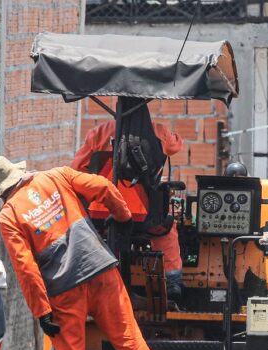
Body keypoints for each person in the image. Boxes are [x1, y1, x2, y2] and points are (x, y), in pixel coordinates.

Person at [0, 156, 172, 350]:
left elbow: (25, 266)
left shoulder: (8, 216)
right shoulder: (55, 176)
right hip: (100, 269)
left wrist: (41, 310)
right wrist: (123, 217)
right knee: (128, 337)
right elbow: (102, 187)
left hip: (64, 289)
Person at [71, 109, 185, 302]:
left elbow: (77, 168)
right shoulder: (157, 131)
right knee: (165, 229)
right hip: (143, 214)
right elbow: (175, 146)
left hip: (101, 210)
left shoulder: (98, 133)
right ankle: (172, 280)